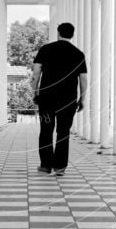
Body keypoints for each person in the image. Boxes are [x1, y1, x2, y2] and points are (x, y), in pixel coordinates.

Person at [30, 22, 88, 175]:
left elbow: (36, 73)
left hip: (47, 98)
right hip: (68, 100)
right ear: (72, 34)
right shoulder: (78, 54)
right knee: (63, 132)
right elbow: (83, 80)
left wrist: (35, 92)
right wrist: (82, 99)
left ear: (58, 33)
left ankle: (45, 165)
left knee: (46, 130)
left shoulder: (45, 49)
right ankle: (60, 167)